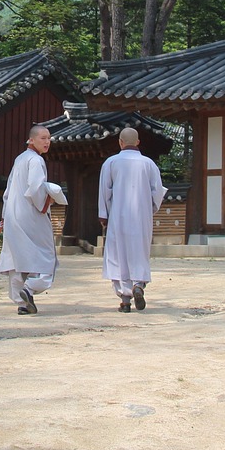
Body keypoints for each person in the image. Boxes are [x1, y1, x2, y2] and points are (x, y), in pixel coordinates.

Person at [98, 127, 166, 313]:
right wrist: (150, 208)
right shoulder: (148, 164)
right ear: (138, 142)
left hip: (118, 216)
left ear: (120, 142)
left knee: (119, 255)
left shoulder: (111, 163)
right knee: (139, 252)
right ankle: (138, 284)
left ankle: (125, 299)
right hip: (141, 216)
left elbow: (105, 190)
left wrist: (103, 214)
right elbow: (157, 191)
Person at [0, 125, 62, 315]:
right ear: (31, 140)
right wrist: (47, 199)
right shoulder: (36, 160)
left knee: (19, 259)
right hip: (31, 215)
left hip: (12, 214)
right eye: (43, 138)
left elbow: (8, 191)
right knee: (45, 257)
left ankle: (22, 303)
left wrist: (4, 217)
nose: (47, 141)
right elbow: (35, 188)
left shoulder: (20, 159)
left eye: (49, 138)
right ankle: (30, 287)